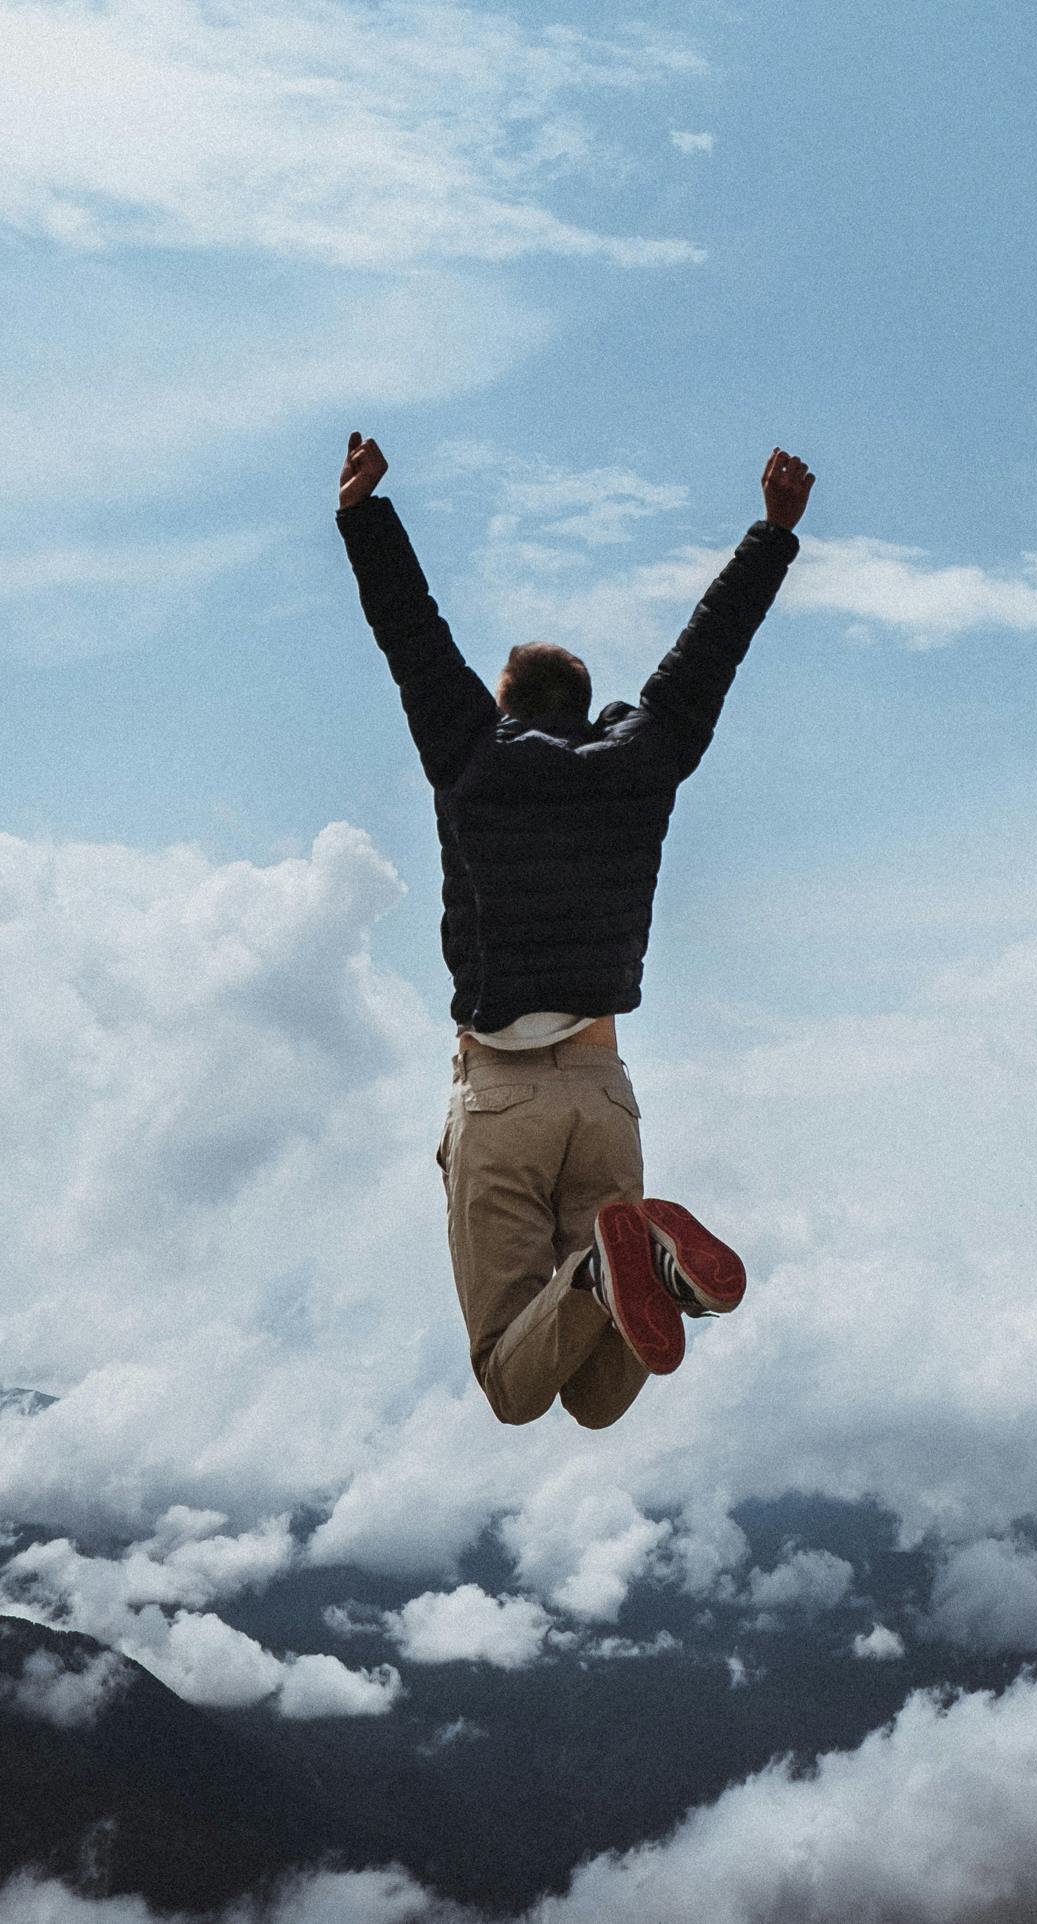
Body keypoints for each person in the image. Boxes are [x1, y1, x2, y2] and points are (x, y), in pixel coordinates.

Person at [337, 433, 813, 1428]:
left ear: (504, 704)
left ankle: (610, 1264)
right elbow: (703, 658)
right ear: (588, 709)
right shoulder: (637, 762)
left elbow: (411, 635)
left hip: (503, 1095)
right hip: (601, 1091)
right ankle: (647, 1273)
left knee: (513, 1388)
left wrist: (363, 513)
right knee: (597, 1396)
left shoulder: (472, 754)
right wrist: (770, 535)